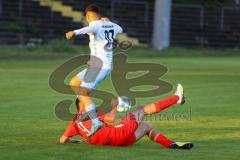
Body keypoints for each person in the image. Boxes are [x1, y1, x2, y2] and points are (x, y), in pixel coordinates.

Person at [59, 84, 194, 149]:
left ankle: (170, 144)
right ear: (81, 104)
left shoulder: (73, 122)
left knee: (146, 126)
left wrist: (78, 141)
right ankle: (177, 98)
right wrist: (114, 105)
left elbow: (62, 140)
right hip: (118, 135)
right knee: (141, 110)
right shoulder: (92, 112)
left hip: (117, 143)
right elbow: (111, 119)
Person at [65, 4, 123, 137]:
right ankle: (88, 109)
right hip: (96, 65)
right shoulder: (111, 25)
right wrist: (108, 21)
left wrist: (74, 32)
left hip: (100, 66)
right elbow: (120, 29)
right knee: (74, 82)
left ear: (87, 16)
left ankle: (96, 121)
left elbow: (88, 29)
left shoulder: (95, 24)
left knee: (83, 92)